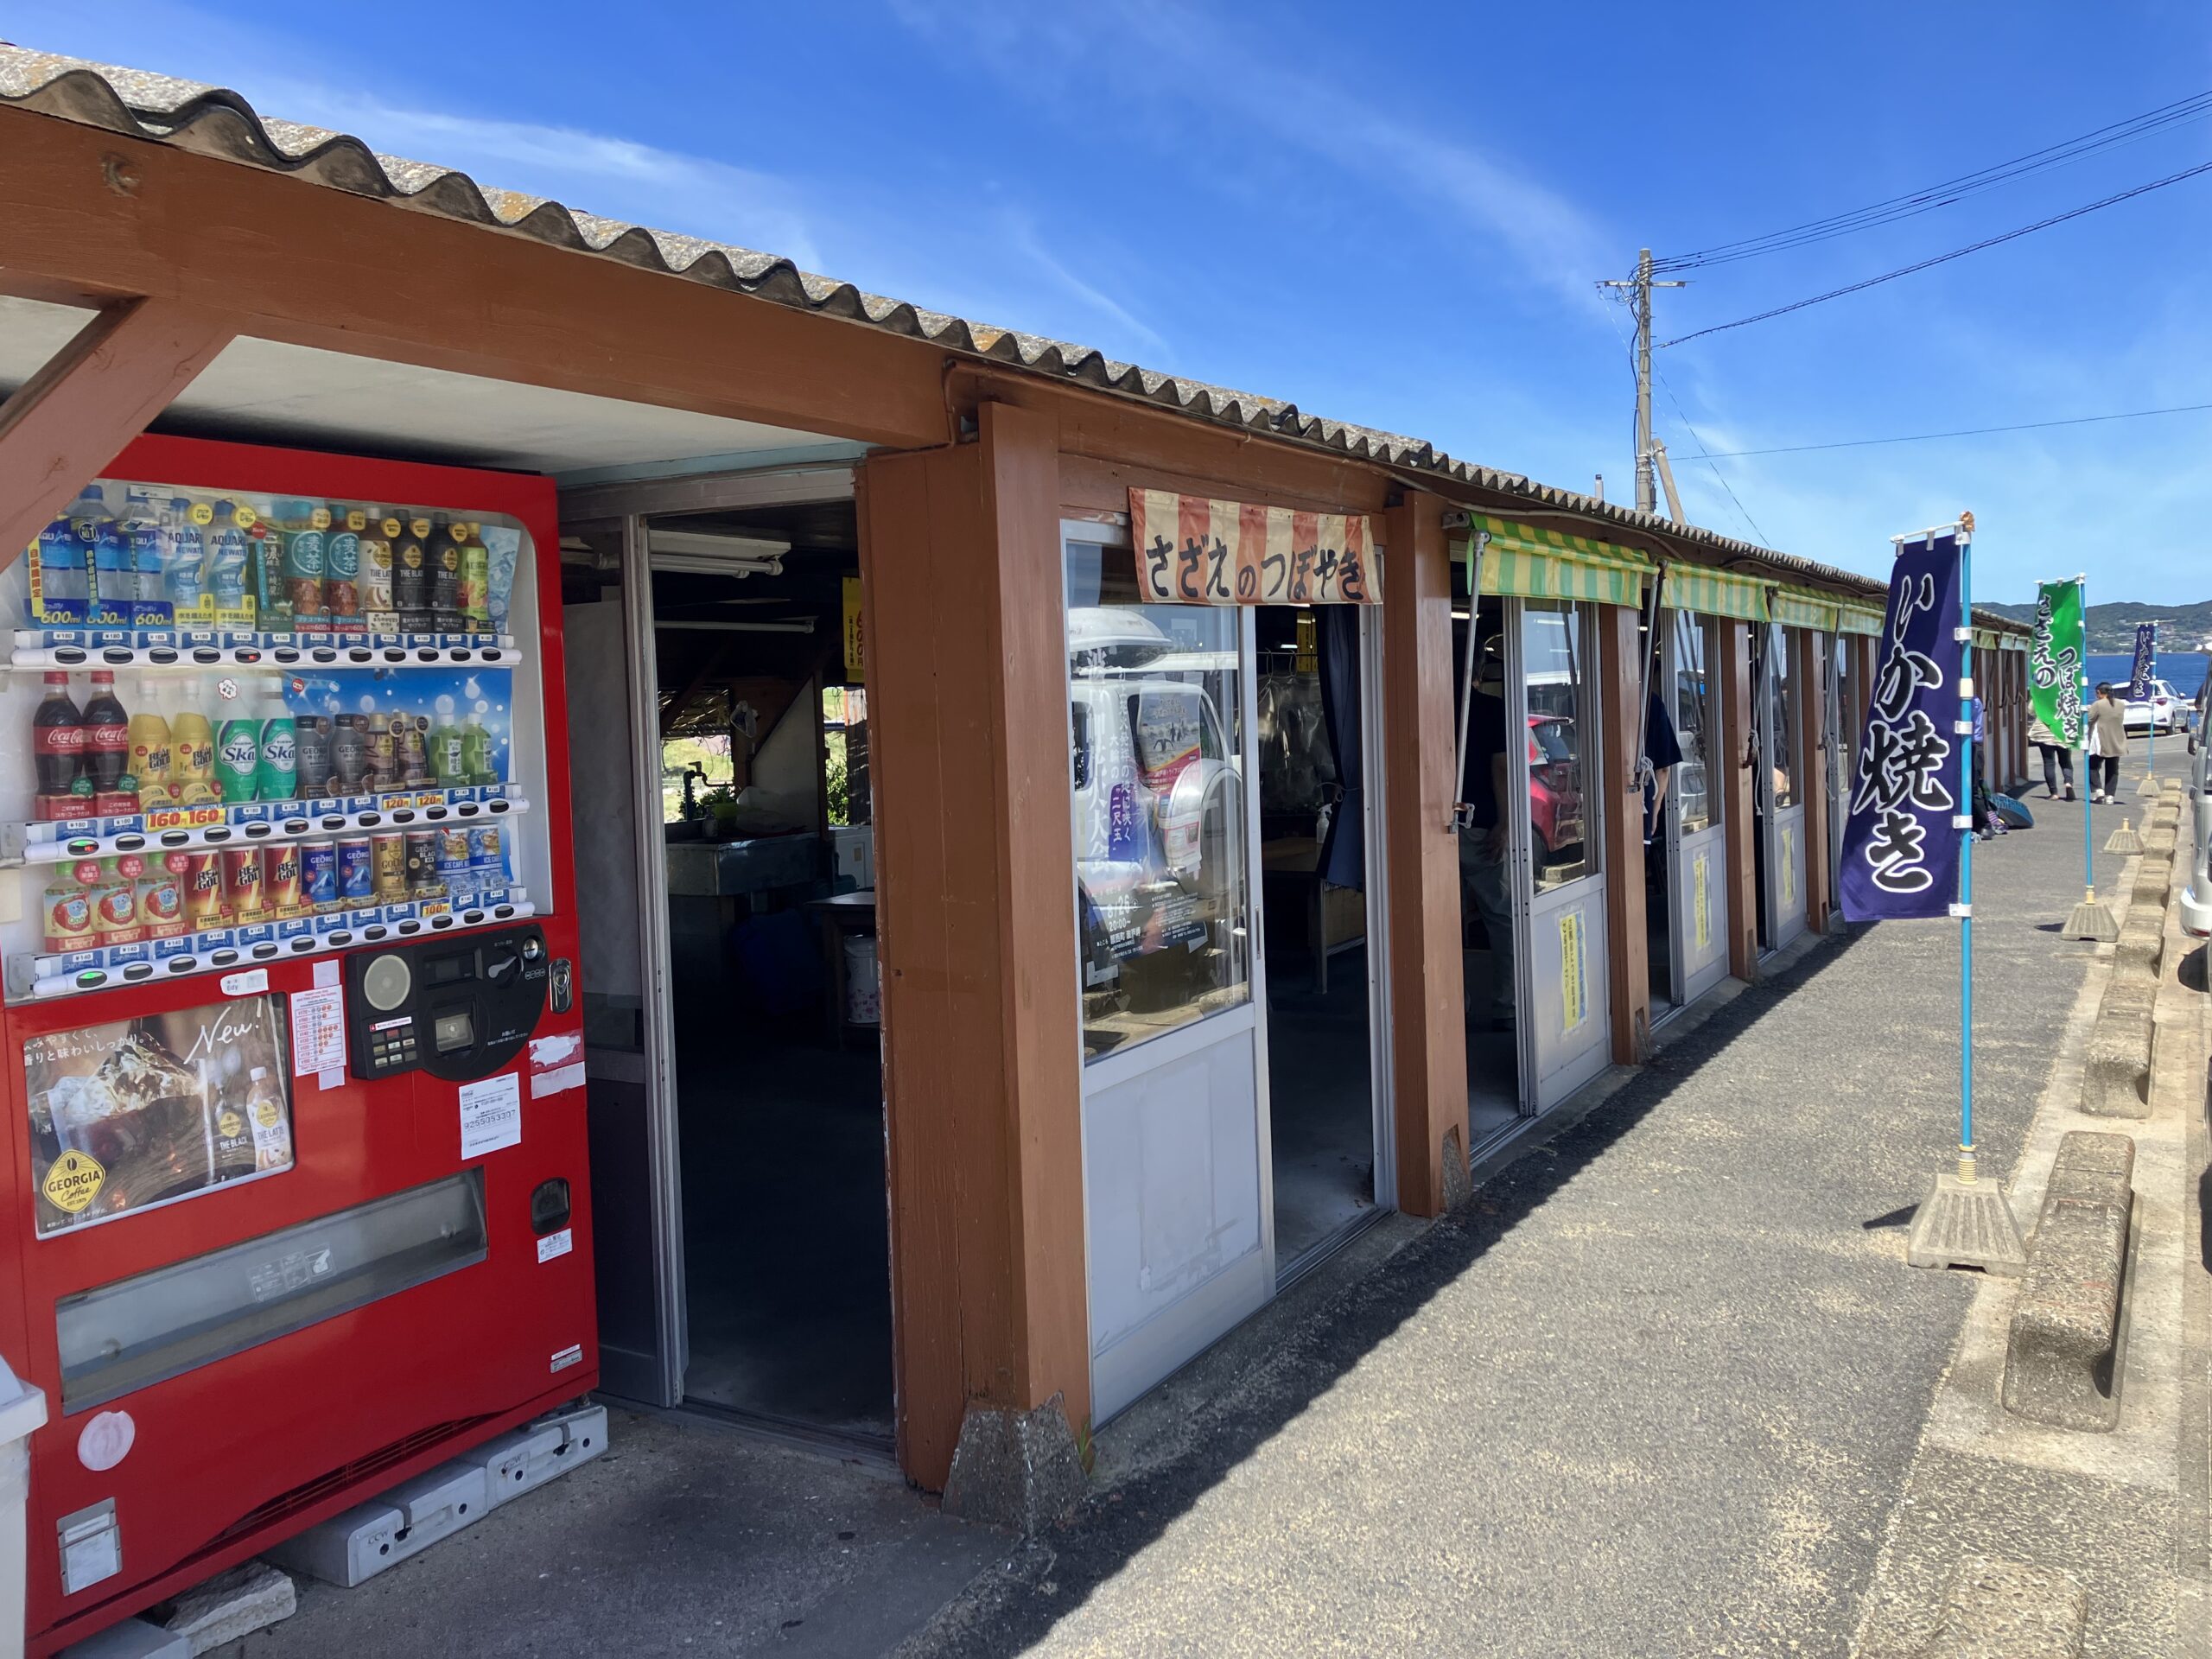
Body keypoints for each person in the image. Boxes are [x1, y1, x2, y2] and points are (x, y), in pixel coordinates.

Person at [1458, 630, 1514, 1031]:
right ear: (1479, 669)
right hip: (1481, 828)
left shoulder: (1426, 704)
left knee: (1444, 920)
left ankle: (1452, 1003)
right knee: (1501, 915)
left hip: (1434, 829)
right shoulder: (1491, 709)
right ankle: (1507, 1005)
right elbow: (1502, 769)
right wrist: (1506, 822)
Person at [2086, 681, 2128, 802]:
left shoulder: (2098, 704)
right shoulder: (2121, 704)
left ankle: (2098, 791)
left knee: (2093, 766)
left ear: (2099, 693)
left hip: (2100, 740)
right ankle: (2110, 796)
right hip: (2117, 740)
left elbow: (2089, 719)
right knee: (2113, 769)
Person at [2027, 709, 2075, 801]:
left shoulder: (2042, 695)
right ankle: (2068, 783)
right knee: (2065, 761)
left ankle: (2054, 793)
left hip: (2044, 733)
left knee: (2049, 763)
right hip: (2063, 731)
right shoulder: (2065, 695)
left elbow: (2031, 710)